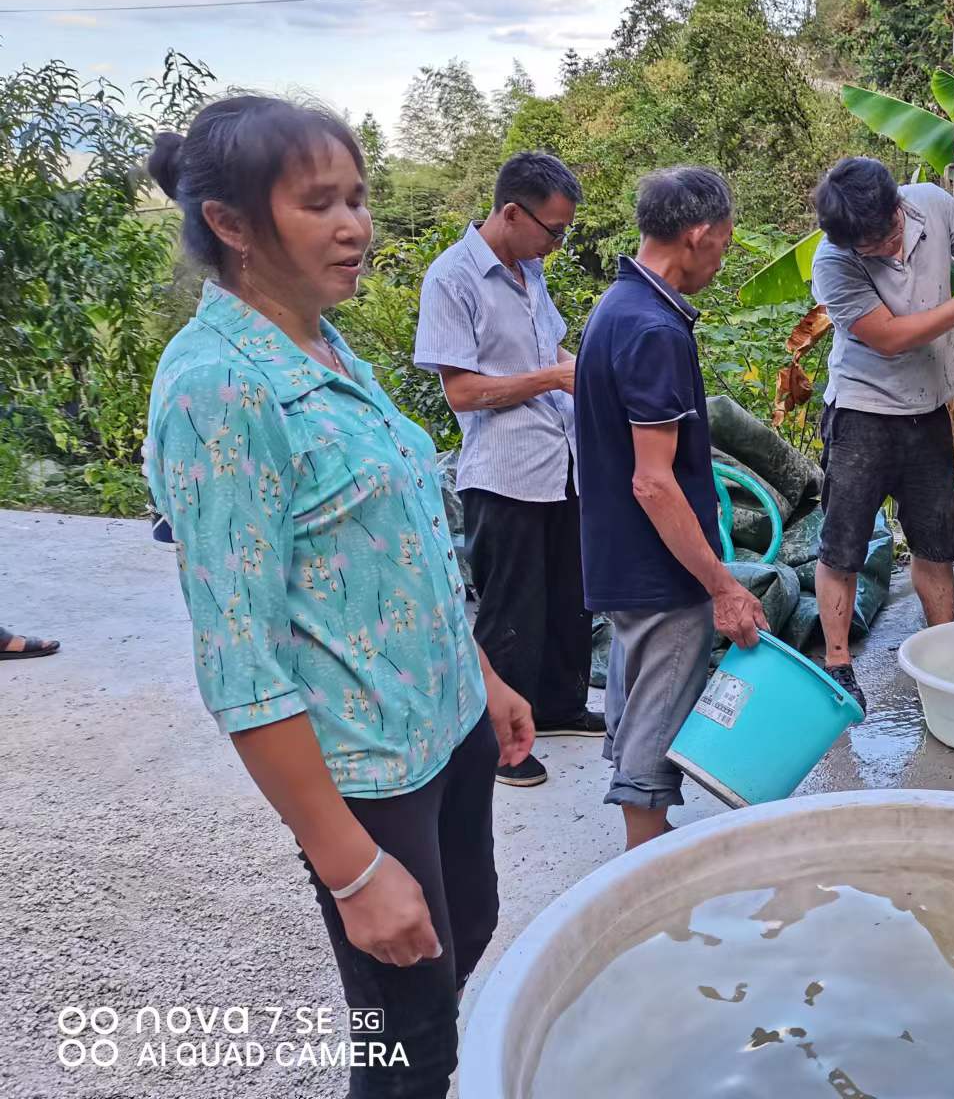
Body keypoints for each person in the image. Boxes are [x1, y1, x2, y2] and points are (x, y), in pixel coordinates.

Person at [144, 96, 535, 1098]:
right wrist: (353, 869)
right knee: (405, 1028)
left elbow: (397, 543)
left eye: (357, 197)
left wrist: (481, 674)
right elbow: (240, 660)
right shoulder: (218, 388)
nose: (355, 224)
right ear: (232, 224)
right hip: (367, 763)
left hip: (445, 723)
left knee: (463, 934)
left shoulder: (321, 344)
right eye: (320, 202)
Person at [574, 166, 768, 851]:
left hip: (619, 557)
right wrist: (721, 584)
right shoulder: (654, 329)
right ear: (697, 235)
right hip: (659, 567)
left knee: (636, 698)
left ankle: (644, 843)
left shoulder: (616, 306)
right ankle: (644, 864)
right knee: (659, 721)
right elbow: (653, 483)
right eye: (722, 246)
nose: (720, 260)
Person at [809, 158, 954, 709]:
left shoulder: (933, 205)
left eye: (887, 235)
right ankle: (839, 663)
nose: (885, 251)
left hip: (928, 408)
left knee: (937, 544)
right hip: (862, 414)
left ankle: (946, 650)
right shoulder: (833, 261)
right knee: (842, 547)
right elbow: (890, 338)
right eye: (868, 249)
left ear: (899, 206)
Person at [414, 151, 601, 791]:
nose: (558, 242)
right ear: (512, 213)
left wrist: (594, 371)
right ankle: (500, 743)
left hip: (560, 460)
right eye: (553, 230)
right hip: (503, 472)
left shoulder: (530, 272)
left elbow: (551, 348)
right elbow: (461, 391)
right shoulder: (454, 278)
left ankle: (557, 707)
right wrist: (554, 377)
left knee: (568, 598)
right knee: (510, 608)